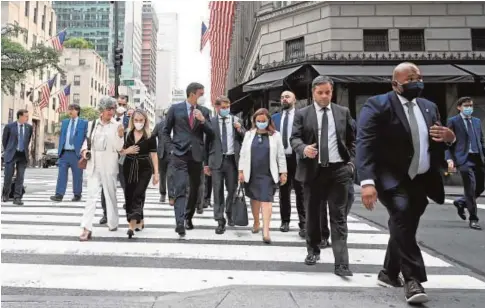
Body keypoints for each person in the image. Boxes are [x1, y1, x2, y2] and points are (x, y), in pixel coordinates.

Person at [356, 62, 456, 304]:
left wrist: (449, 139)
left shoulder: (429, 107)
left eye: (419, 76)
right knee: (400, 213)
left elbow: (434, 141)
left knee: (405, 224)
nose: (417, 81)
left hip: (421, 179)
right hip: (390, 177)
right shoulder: (378, 105)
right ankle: (413, 279)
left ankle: (389, 273)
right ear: (395, 83)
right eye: (410, 78)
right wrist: (367, 182)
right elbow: (365, 143)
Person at [290, 75, 355, 277]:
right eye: (320, 93)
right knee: (313, 216)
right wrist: (303, 148)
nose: (324, 96)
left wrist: (351, 164)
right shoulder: (302, 114)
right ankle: (313, 250)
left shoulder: (343, 112)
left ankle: (342, 263)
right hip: (313, 172)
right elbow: (294, 138)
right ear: (313, 93)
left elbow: (353, 140)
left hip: (338, 171)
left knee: (339, 217)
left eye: (328, 92)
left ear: (332, 92)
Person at [163, 82, 214, 236]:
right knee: (180, 186)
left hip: (197, 155)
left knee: (194, 188)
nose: (202, 97)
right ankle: (179, 222)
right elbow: (165, 131)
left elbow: (212, 134)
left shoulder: (204, 111)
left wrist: (203, 121)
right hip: (179, 153)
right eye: (201, 94)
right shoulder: (175, 109)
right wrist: (171, 148)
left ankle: (188, 216)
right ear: (192, 94)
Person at [239, 108, 287, 243]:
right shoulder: (249, 134)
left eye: (263, 121)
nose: (261, 123)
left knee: (266, 200)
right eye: (258, 121)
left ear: (268, 121)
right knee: (254, 199)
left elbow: (281, 155)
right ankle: (256, 222)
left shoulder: (275, 135)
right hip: (252, 172)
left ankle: (266, 231)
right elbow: (243, 154)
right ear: (254, 121)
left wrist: (283, 172)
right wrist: (241, 171)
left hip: (268, 174)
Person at [79, 97, 125, 241]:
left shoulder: (117, 125)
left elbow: (119, 148)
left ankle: (113, 222)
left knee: (110, 195)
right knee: (91, 197)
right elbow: (86, 143)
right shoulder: (92, 124)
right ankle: (86, 228)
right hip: (93, 165)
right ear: (101, 110)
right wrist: (85, 151)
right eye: (108, 109)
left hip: (109, 165)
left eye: (113, 109)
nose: (111, 112)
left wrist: (120, 135)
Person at [204, 95, 246, 234]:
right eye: (223, 107)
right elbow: (206, 144)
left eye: (228, 107)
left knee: (232, 190)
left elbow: (246, 138)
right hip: (216, 161)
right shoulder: (211, 121)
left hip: (232, 161)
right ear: (217, 108)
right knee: (217, 191)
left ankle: (229, 212)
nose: (226, 110)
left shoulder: (236, 120)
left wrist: (240, 129)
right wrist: (206, 164)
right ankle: (220, 220)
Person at [446, 97, 484, 230]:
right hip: (463, 159)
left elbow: (481, 140)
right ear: (459, 107)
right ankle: (473, 218)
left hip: (478, 158)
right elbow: (447, 144)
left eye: (471, 106)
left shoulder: (477, 122)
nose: (469, 108)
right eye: (466, 106)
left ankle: (461, 202)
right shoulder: (453, 122)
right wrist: (449, 159)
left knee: (481, 186)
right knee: (470, 187)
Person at [120, 109, 159, 238]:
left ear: (145, 121)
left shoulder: (150, 136)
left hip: (144, 167)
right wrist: (127, 151)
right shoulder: (127, 134)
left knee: (138, 193)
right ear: (132, 121)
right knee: (129, 194)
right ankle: (139, 220)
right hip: (128, 166)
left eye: (141, 120)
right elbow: (119, 150)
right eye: (136, 120)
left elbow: (153, 155)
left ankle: (131, 225)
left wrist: (156, 173)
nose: (138, 123)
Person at [272, 90, 305, 237]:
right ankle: (285, 221)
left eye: (287, 97)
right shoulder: (275, 118)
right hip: (282, 159)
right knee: (283, 192)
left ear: (294, 99)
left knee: (301, 192)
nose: (284, 99)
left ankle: (303, 223)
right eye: (282, 97)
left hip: (298, 158)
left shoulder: (302, 116)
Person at [99, 95, 132, 224]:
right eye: (118, 104)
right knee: (106, 186)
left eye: (123, 105)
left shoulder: (130, 120)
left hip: (124, 157)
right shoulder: (104, 120)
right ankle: (106, 214)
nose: (120, 107)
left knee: (127, 185)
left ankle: (130, 210)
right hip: (108, 158)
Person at [50, 104, 88, 202]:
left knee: (77, 176)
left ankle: (77, 194)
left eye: (72, 109)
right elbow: (62, 136)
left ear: (77, 111)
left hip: (77, 154)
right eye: (69, 109)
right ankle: (59, 195)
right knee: (61, 174)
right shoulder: (65, 122)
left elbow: (86, 138)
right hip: (64, 153)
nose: (70, 111)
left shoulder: (84, 123)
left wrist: (84, 152)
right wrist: (59, 151)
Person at [2, 109, 32, 205]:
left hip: (23, 154)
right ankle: (5, 194)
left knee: (20, 177)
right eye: (25, 116)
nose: (27, 118)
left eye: (27, 116)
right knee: (8, 176)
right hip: (11, 154)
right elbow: (4, 141)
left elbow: (28, 140)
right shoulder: (9, 127)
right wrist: (8, 150)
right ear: (20, 116)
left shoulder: (29, 127)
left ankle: (17, 197)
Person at [152, 111, 169, 203]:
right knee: (162, 175)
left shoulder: (177, 124)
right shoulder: (159, 125)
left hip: (173, 154)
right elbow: (152, 136)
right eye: (166, 115)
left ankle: (172, 195)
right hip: (161, 154)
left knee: (171, 175)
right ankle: (163, 194)